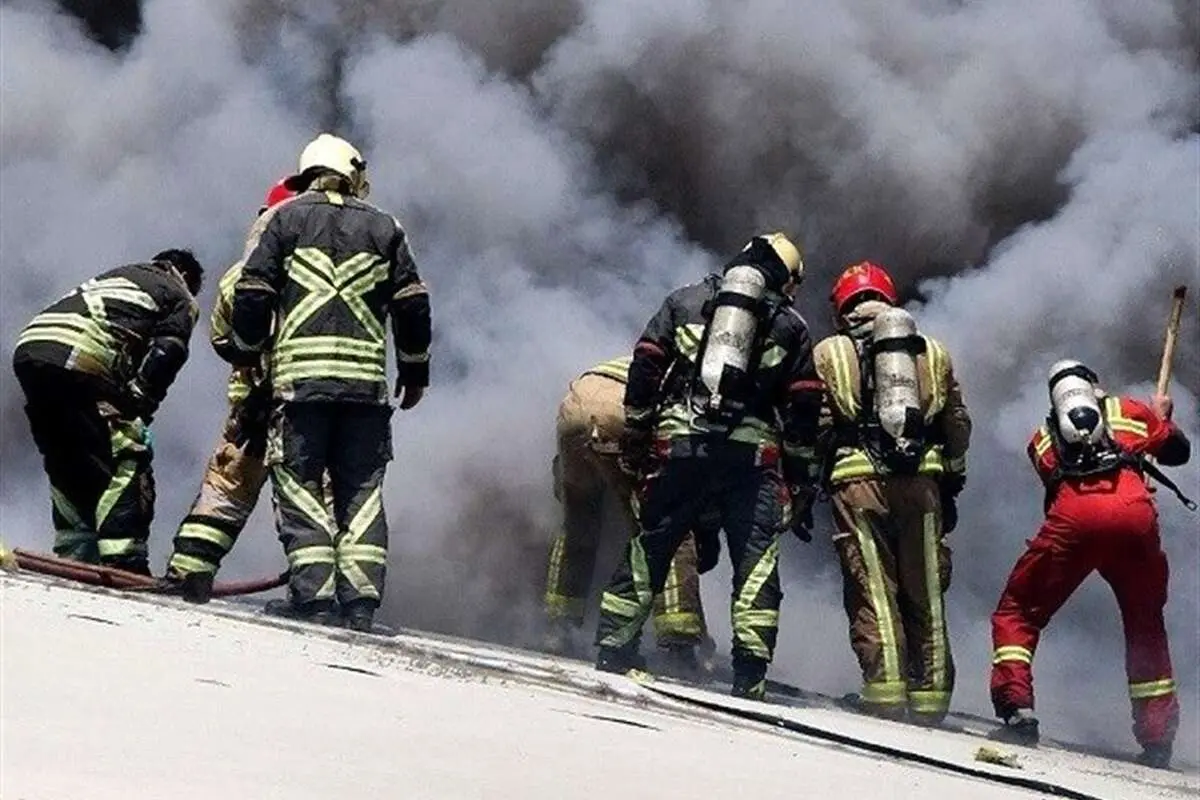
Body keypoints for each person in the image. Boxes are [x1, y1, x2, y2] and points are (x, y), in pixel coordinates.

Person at [593, 232, 822, 700]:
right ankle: (749, 676)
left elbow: (646, 364)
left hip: (681, 446)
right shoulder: (789, 325)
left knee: (652, 545)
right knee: (755, 564)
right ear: (783, 274)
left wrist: (638, 430)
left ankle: (614, 649)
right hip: (751, 461)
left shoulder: (684, 302)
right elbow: (803, 409)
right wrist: (800, 480)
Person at [228, 133, 431, 633]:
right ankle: (360, 604)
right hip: (365, 390)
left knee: (299, 484)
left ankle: (314, 597)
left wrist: (247, 355)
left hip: (301, 387)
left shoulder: (284, 220)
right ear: (352, 173)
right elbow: (412, 305)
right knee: (362, 490)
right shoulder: (386, 227)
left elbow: (253, 291)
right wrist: (414, 372)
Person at [990, 360, 1192, 769]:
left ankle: (1017, 709)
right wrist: (1162, 418)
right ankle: (1157, 738)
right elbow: (1178, 452)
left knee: (1018, 613)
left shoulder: (1041, 440)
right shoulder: (1131, 412)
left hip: (1073, 523)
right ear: (1096, 386)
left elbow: (1058, 483)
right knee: (1145, 623)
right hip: (1135, 517)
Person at [811, 261, 971, 725]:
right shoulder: (933, 352)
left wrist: (813, 478)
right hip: (923, 487)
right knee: (927, 592)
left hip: (858, 487)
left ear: (843, 308)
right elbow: (957, 427)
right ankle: (931, 699)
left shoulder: (830, 351)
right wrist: (950, 484)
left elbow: (818, 425)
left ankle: (884, 694)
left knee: (874, 590)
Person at [12, 248, 204, 574]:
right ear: (185, 275)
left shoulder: (119, 276)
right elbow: (169, 350)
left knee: (67, 454)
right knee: (127, 452)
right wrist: (140, 403)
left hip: (31, 351)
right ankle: (124, 558)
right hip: (79, 355)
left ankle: (75, 553)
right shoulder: (178, 292)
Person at [160, 179, 298, 603]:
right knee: (309, 498)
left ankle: (187, 575)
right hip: (306, 408)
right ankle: (317, 594)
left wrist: (252, 359)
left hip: (251, 410)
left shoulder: (239, 275)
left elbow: (222, 338)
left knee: (224, 492)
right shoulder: (321, 272)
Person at [545, 355, 712, 672]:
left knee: (577, 525)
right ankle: (678, 643)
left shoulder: (639, 359)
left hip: (573, 407)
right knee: (669, 531)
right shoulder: (693, 379)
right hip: (619, 412)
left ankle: (558, 629)